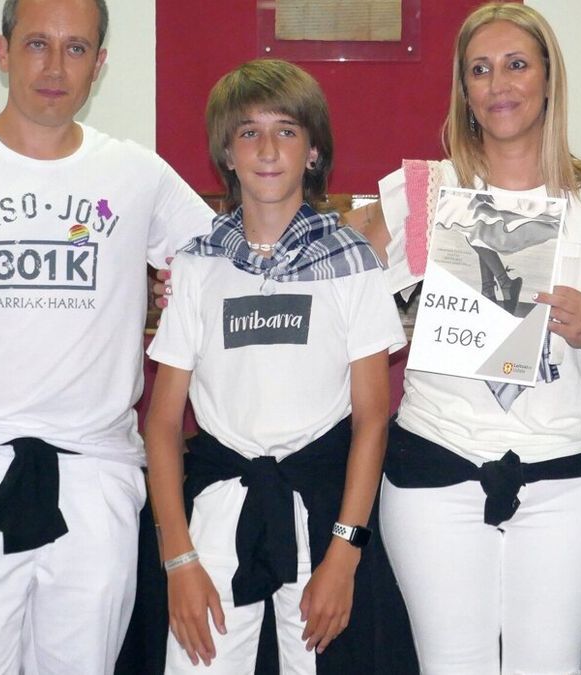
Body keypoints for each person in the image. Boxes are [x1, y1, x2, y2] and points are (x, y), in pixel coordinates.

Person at [0, 0, 216, 672]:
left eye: (76, 48)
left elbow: (232, 261)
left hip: (96, 473)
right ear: (2, 52)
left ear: (99, 64)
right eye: (36, 44)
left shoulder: (138, 176)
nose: (55, 66)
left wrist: (180, 290)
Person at [345, 3, 581, 671]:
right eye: (480, 70)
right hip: (436, 471)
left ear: (548, 77)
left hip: (568, 476)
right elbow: (328, 272)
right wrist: (212, 275)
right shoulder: (427, 194)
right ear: (463, 91)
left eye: (516, 65)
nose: (499, 84)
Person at [144, 60, 406, 674]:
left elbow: (372, 419)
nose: (267, 150)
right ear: (227, 153)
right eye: (249, 133)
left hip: (325, 514)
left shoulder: (352, 262)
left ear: (313, 151)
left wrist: (345, 554)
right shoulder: (196, 265)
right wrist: (178, 559)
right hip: (217, 515)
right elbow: (161, 424)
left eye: (286, 131)